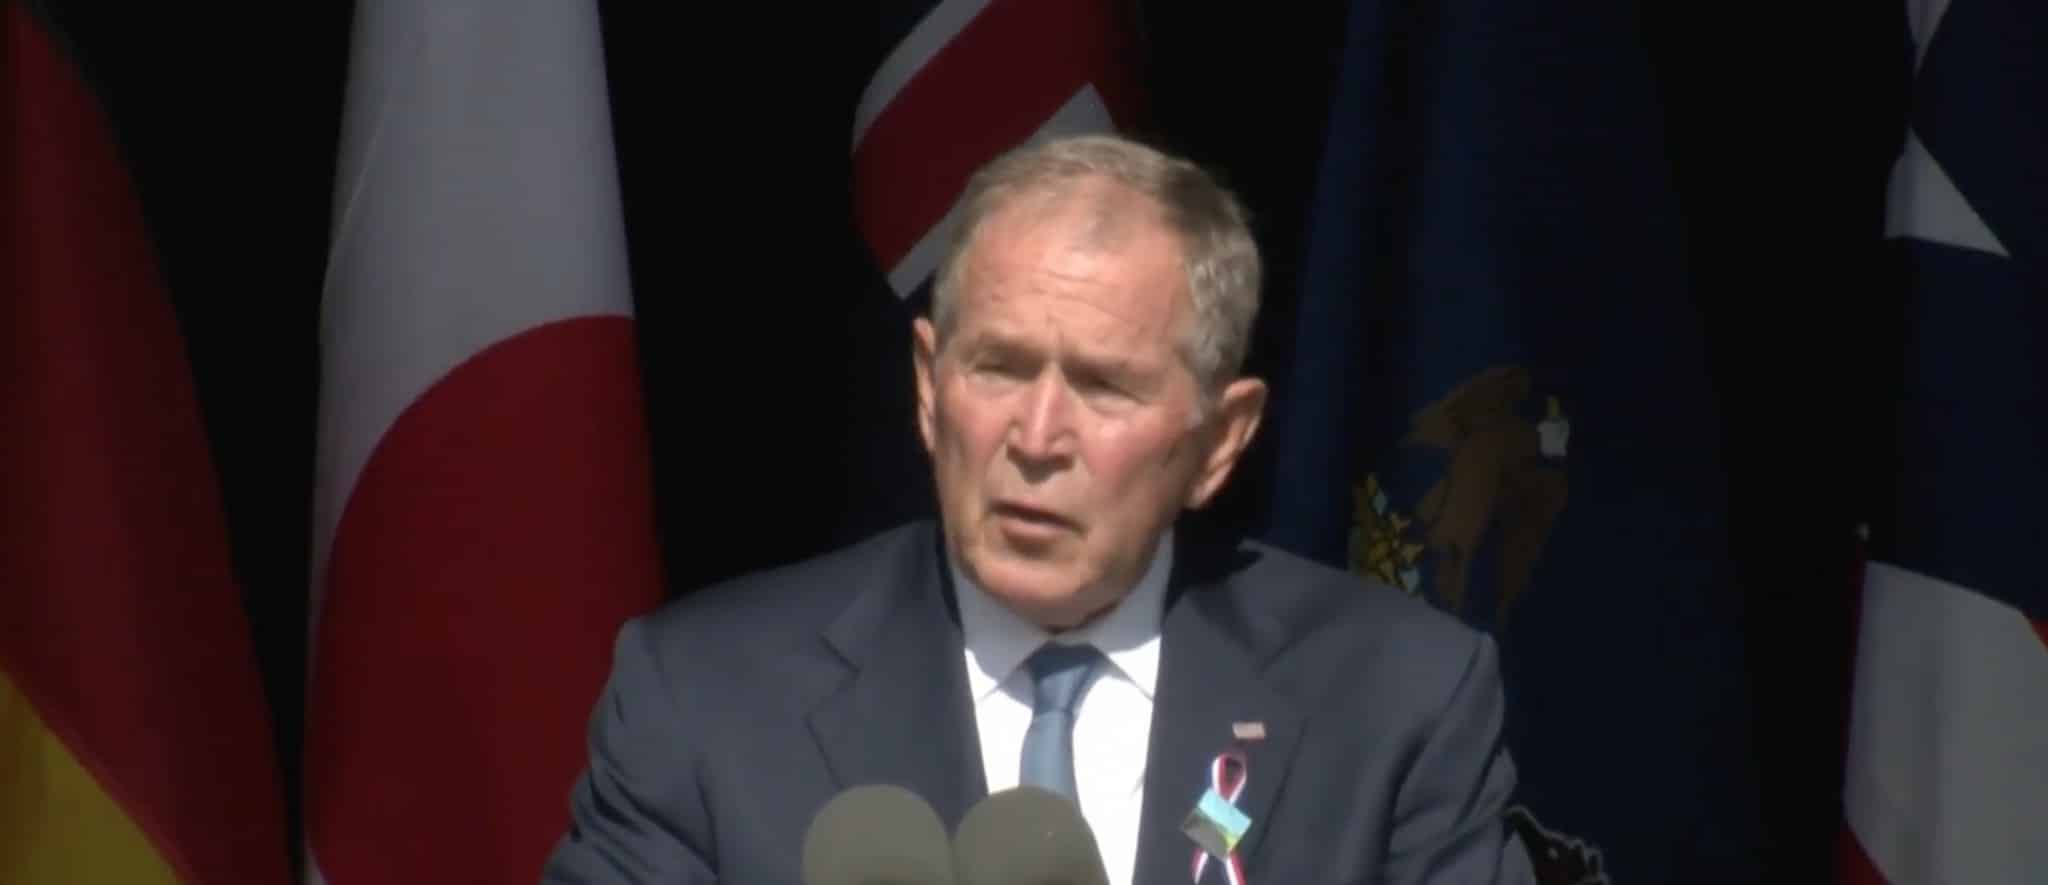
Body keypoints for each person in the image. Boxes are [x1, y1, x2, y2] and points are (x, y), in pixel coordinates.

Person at [541, 134, 1535, 884]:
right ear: (928, 387)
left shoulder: (1394, 702)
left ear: (1220, 440)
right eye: (1000, 368)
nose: (1037, 435)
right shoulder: (705, 701)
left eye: (1103, 386)